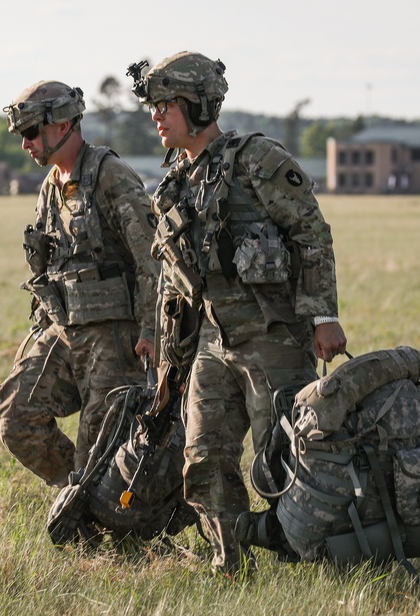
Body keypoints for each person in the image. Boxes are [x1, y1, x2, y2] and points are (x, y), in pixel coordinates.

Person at [127, 52, 348, 577]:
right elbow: (173, 285)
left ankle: (319, 558)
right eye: (154, 107)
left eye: (166, 106)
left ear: (198, 106)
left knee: (287, 457)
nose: (157, 117)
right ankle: (232, 565)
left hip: (271, 337)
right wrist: (168, 364)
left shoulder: (257, 160)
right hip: (210, 342)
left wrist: (322, 316)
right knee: (204, 458)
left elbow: (310, 234)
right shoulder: (174, 185)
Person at [0, 81, 160, 491]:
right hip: (65, 332)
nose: (25, 144)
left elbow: (152, 259)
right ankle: (81, 496)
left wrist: (153, 332)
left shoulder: (111, 176)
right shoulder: (51, 186)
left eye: (31, 132)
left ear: (63, 124)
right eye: (21, 135)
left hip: (116, 340)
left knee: (99, 452)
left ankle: (102, 510)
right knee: (16, 416)